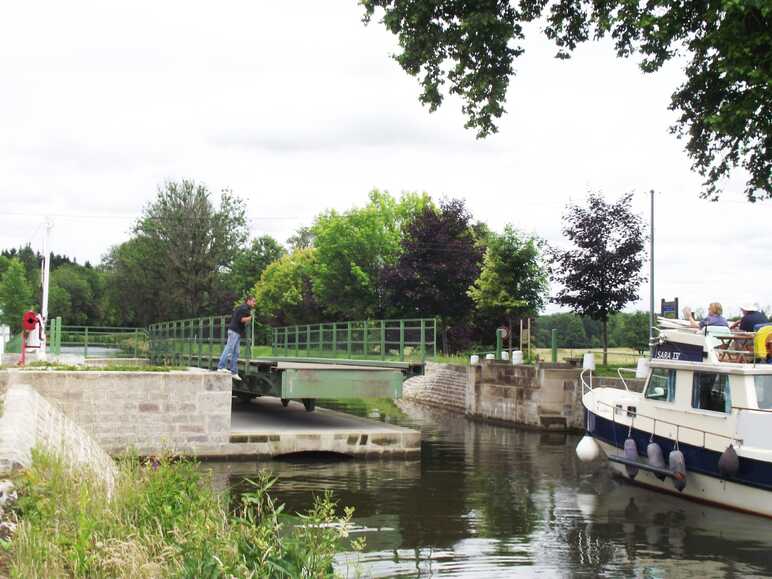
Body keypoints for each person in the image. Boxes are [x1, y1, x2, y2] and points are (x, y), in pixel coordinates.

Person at [216, 296, 256, 380]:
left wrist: (248, 318)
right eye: (253, 301)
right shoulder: (244, 309)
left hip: (236, 332)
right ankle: (221, 367)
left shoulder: (242, 307)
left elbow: (241, 321)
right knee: (229, 348)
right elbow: (241, 319)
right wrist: (250, 317)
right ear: (248, 301)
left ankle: (234, 372)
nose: (254, 303)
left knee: (236, 352)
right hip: (234, 332)